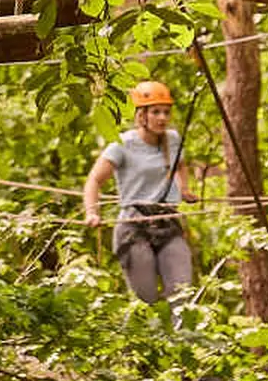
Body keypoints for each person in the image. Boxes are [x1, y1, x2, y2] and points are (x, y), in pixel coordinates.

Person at [82, 81, 198, 303]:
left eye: (166, 112)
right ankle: (148, 336)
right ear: (141, 115)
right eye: (155, 112)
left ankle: (179, 337)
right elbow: (94, 181)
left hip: (167, 221)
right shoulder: (122, 144)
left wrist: (184, 188)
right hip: (133, 227)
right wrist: (92, 212)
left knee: (182, 293)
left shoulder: (172, 140)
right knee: (147, 299)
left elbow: (180, 165)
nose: (162, 118)